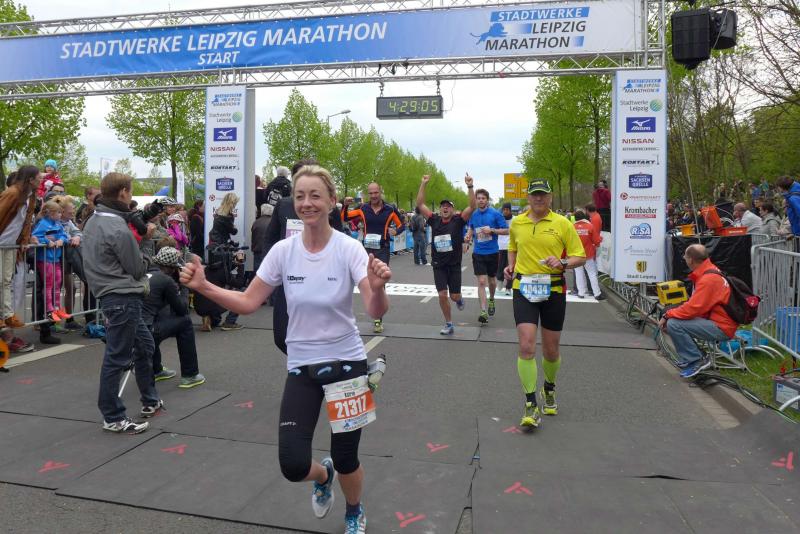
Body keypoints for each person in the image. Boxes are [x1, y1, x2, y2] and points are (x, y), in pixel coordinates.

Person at [180, 164, 390, 534]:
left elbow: (375, 310)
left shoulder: (348, 249)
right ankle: (322, 476)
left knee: (346, 456)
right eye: (300, 196)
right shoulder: (283, 251)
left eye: (315, 196)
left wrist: (378, 287)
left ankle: (354, 510)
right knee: (292, 464)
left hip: (347, 364)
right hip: (302, 365)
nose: (307, 203)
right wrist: (203, 287)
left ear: (332, 201)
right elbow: (248, 301)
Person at [503, 179, 586, 430]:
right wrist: (511, 266)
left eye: (543, 194)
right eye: (534, 195)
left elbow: (580, 256)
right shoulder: (517, 223)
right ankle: (530, 404)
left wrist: (563, 263)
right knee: (526, 345)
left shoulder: (563, 223)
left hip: (554, 289)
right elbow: (512, 247)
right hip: (523, 288)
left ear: (550, 198)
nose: (538, 198)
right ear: (528, 198)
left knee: (551, 350)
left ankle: (549, 387)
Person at [82, 172, 161, 435]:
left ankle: (149, 399)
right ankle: (113, 416)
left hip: (110, 293)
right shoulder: (117, 227)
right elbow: (137, 268)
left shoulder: (93, 221)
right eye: (131, 191)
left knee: (145, 345)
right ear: (124, 192)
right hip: (123, 296)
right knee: (117, 358)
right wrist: (147, 241)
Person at [263, 159, 345, 354]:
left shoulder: (328, 208)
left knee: (322, 334)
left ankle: (312, 366)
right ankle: (305, 363)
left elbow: (340, 239)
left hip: (321, 277)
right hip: (289, 278)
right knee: (281, 337)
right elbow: (270, 239)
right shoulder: (283, 205)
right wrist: (272, 268)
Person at [659, 244, 737, 378]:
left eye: (685, 256)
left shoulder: (708, 279)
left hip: (721, 327)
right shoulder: (709, 270)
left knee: (674, 324)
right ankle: (693, 356)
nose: (684, 258)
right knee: (673, 319)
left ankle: (697, 359)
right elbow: (696, 306)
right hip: (718, 321)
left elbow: (693, 309)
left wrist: (667, 315)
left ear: (690, 260)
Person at [416, 174, 476, 335]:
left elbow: (472, 206)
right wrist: (423, 184)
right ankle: (449, 324)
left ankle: (459, 299)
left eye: (448, 206)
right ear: (440, 209)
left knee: (454, 296)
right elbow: (420, 204)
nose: (445, 208)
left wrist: (470, 186)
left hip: (454, 265)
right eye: (443, 206)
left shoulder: (458, 220)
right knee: (442, 294)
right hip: (439, 265)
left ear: (453, 209)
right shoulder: (434, 219)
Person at [342, 182, 404, 333]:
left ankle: (378, 319)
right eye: (371, 193)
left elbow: (402, 224)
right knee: (367, 281)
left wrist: (396, 232)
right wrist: (345, 205)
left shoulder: (390, 209)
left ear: (380, 192)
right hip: (367, 249)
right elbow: (345, 217)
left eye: (376, 193)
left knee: (380, 281)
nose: (374, 196)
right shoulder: (363, 208)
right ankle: (370, 312)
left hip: (382, 249)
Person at [142, 247, 205, 388]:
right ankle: (190, 375)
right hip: (146, 332)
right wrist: (184, 287)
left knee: (154, 319)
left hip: (131, 330)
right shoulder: (166, 280)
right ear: (172, 268)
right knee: (185, 322)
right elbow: (182, 309)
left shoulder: (144, 275)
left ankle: (156, 369)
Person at [0, 168, 39, 353]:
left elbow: (27, 221)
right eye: (38, 177)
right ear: (30, 179)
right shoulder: (13, 193)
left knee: (6, 281)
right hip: (1, 243)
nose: (41, 180)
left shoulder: (30, 196)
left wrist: (24, 239)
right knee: (1, 282)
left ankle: (7, 316)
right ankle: (5, 318)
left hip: (10, 246)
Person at [466, 188, 508, 323]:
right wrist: (468, 235)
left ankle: (492, 299)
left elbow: (506, 230)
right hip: (478, 253)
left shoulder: (495, 214)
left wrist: (492, 230)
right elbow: (471, 227)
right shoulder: (473, 214)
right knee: (481, 281)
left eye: (483, 198)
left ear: (487, 200)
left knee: (492, 281)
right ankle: (483, 311)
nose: (480, 200)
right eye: (478, 198)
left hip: (493, 252)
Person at [32, 200, 71, 323]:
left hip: (55, 258)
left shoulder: (58, 224)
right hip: (45, 259)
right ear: (50, 213)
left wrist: (61, 240)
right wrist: (47, 241)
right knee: (48, 284)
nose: (60, 215)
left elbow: (64, 235)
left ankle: (57, 308)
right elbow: (35, 237)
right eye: (58, 212)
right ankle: (49, 310)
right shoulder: (43, 224)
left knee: (58, 282)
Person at [54, 195, 84, 331]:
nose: (73, 211)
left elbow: (78, 232)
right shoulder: (54, 221)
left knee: (71, 288)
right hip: (54, 260)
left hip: (65, 259)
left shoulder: (69, 222)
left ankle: (69, 318)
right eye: (71, 209)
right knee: (54, 290)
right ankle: (52, 322)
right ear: (63, 211)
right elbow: (56, 235)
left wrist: (77, 236)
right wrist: (69, 238)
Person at [571, 210, 605, 300]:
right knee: (592, 274)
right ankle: (597, 294)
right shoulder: (590, 226)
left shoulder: (572, 227)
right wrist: (600, 240)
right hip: (588, 255)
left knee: (579, 274)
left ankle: (581, 293)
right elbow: (596, 241)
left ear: (575, 218)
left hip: (576, 255)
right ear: (584, 217)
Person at [496, 202, 514, 295]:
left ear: (510, 210)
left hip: (511, 247)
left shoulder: (515, 219)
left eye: (507, 209)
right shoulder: (499, 219)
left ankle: (508, 287)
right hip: (501, 246)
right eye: (504, 210)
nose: (505, 211)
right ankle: (499, 282)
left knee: (510, 267)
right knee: (500, 266)